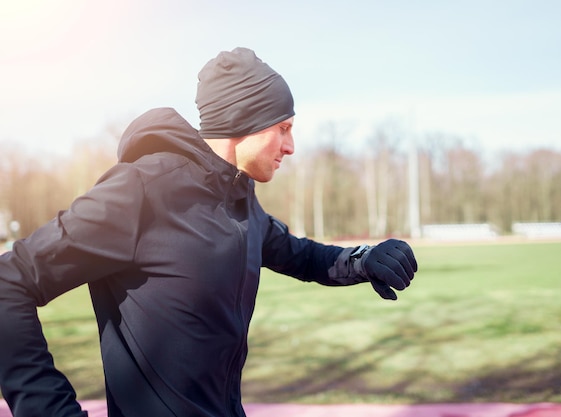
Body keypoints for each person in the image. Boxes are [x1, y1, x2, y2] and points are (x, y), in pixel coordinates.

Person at [0, 47, 417, 417]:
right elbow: (9, 282)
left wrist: (365, 260)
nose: (290, 146)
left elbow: (301, 255)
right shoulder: (143, 191)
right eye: (284, 128)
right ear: (244, 120)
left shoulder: (240, 200)